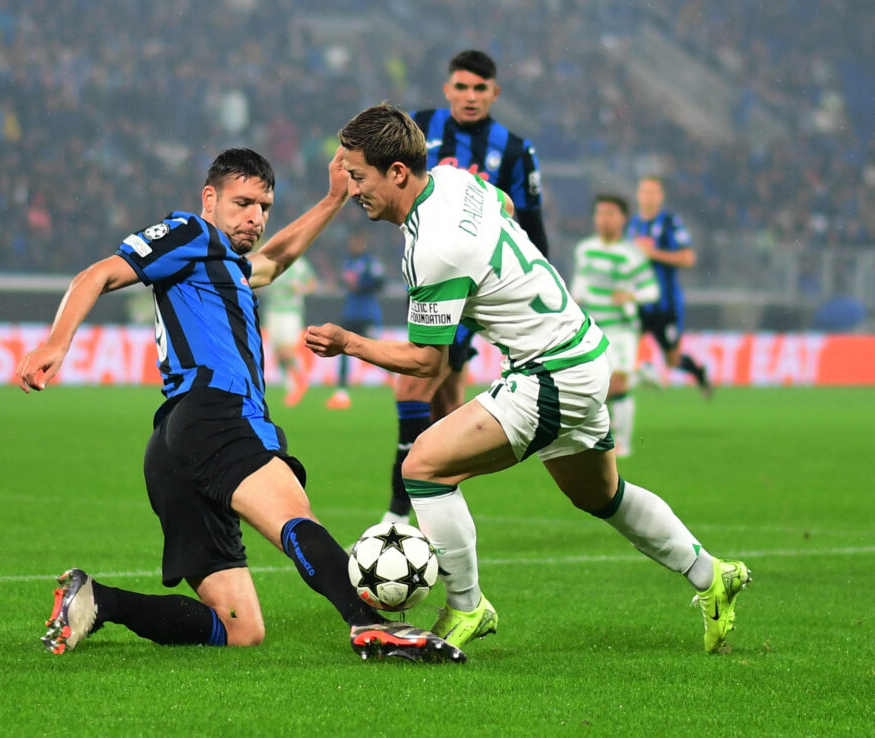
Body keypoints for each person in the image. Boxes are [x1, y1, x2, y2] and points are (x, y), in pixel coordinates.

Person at [305, 104, 751, 655]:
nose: (352, 190)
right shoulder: (454, 180)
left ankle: (466, 606)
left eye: (358, 176)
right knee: (601, 495)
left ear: (397, 172)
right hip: (583, 351)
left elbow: (427, 362)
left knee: (423, 467)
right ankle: (712, 575)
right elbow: (505, 204)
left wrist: (348, 343)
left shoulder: (433, 248)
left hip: (551, 372)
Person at [16, 147, 464, 664]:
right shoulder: (190, 232)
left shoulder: (222, 263)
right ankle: (371, 625)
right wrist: (57, 344)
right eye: (243, 203)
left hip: (172, 448)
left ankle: (98, 601)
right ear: (209, 199)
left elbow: (273, 262)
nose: (255, 217)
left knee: (239, 627)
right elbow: (97, 275)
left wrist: (333, 199)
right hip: (218, 415)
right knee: (294, 516)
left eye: (264, 206)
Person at [384, 49, 550, 525]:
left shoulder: (514, 151)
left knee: (411, 388)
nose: (470, 97)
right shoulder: (418, 128)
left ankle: (396, 520)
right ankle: (442, 508)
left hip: (472, 289)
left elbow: (533, 233)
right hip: (426, 275)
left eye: (480, 89)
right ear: (447, 90)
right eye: (461, 87)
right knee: (445, 405)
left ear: (494, 93)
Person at [570, 194, 660, 457]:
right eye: (600, 214)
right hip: (593, 329)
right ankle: (640, 373)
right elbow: (580, 281)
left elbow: (652, 291)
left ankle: (623, 443)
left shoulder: (632, 255)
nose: (604, 220)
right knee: (597, 386)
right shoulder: (585, 249)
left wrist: (631, 295)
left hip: (621, 329)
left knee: (617, 384)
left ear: (622, 219)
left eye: (610, 214)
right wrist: (574, 302)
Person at [626, 176, 712, 396]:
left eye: (653, 192)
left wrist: (652, 253)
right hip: (637, 303)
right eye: (644, 191)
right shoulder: (632, 226)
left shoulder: (671, 223)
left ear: (661, 196)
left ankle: (698, 372)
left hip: (666, 305)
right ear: (638, 195)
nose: (648, 197)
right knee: (624, 352)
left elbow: (689, 259)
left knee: (672, 360)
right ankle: (637, 378)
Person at [326, 231, 385, 410]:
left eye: (357, 242)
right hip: (351, 313)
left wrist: (360, 285)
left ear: (362, 243)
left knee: (379, 350)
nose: (354, 246)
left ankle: (395, 377)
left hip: (368, 314)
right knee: (343, 350)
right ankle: (342, 389)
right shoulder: (349, 262)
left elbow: (380, 282)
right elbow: (343, 282)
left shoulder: (370, 262)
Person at [261, 255, 317, 407]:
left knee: (286, 351)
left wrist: (301, 289)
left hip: (291, 313)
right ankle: (292, 387)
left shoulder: (299, 264)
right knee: (278, 353)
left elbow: (312, 283)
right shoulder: (270, 261)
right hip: (272, 312)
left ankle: (300, 376)